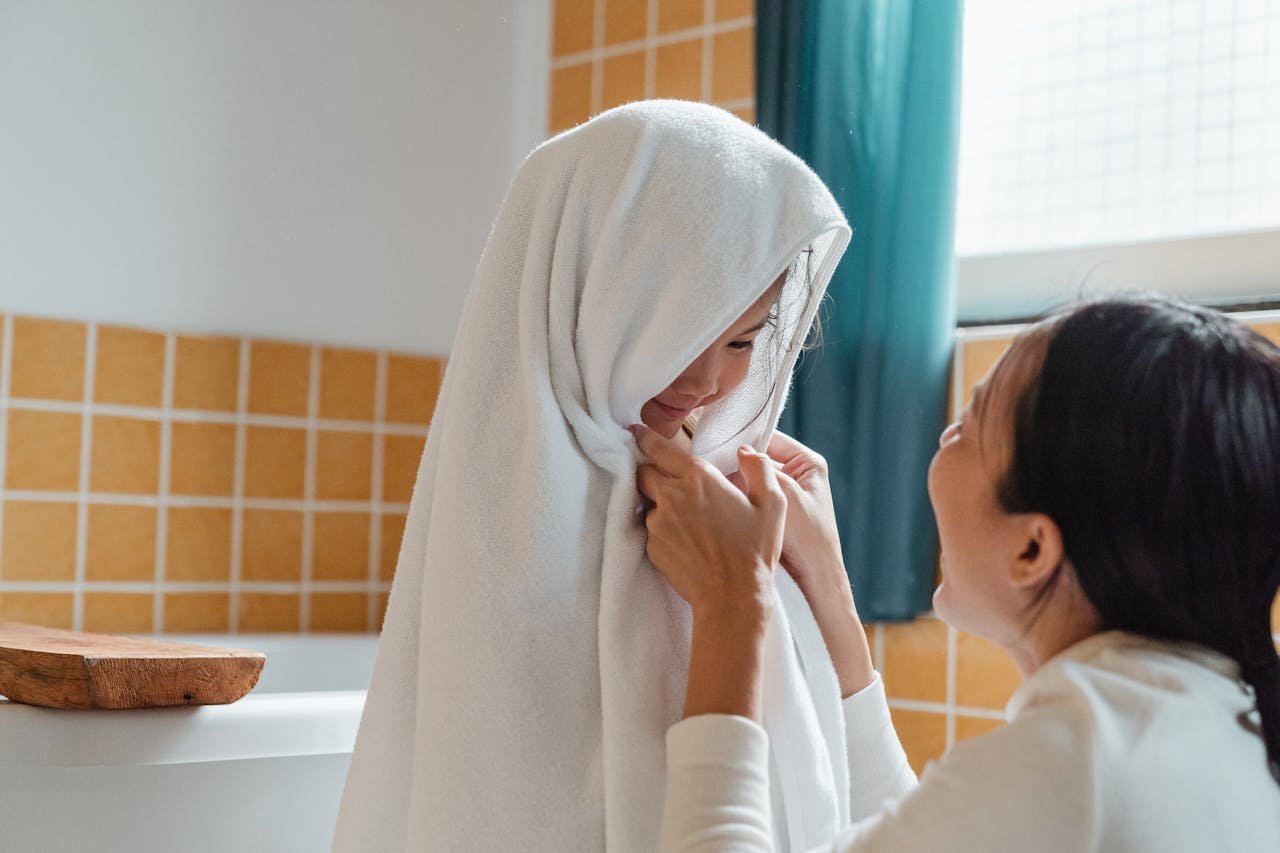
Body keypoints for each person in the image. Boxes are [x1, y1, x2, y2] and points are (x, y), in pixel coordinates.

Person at [332, 100, 860, 852]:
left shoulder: (737, 510)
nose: (711, 381)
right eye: (680, 325)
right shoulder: (504, 532)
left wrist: (814, 592)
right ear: (594, 297)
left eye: (745, 339)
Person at [637, 296, 1280, 851]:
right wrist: (829, 587)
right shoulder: (1207, 714)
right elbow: (925, 830)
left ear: (1033, 551)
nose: (944, 437)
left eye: (969, 427)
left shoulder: (1078, 758)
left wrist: (732, 602)